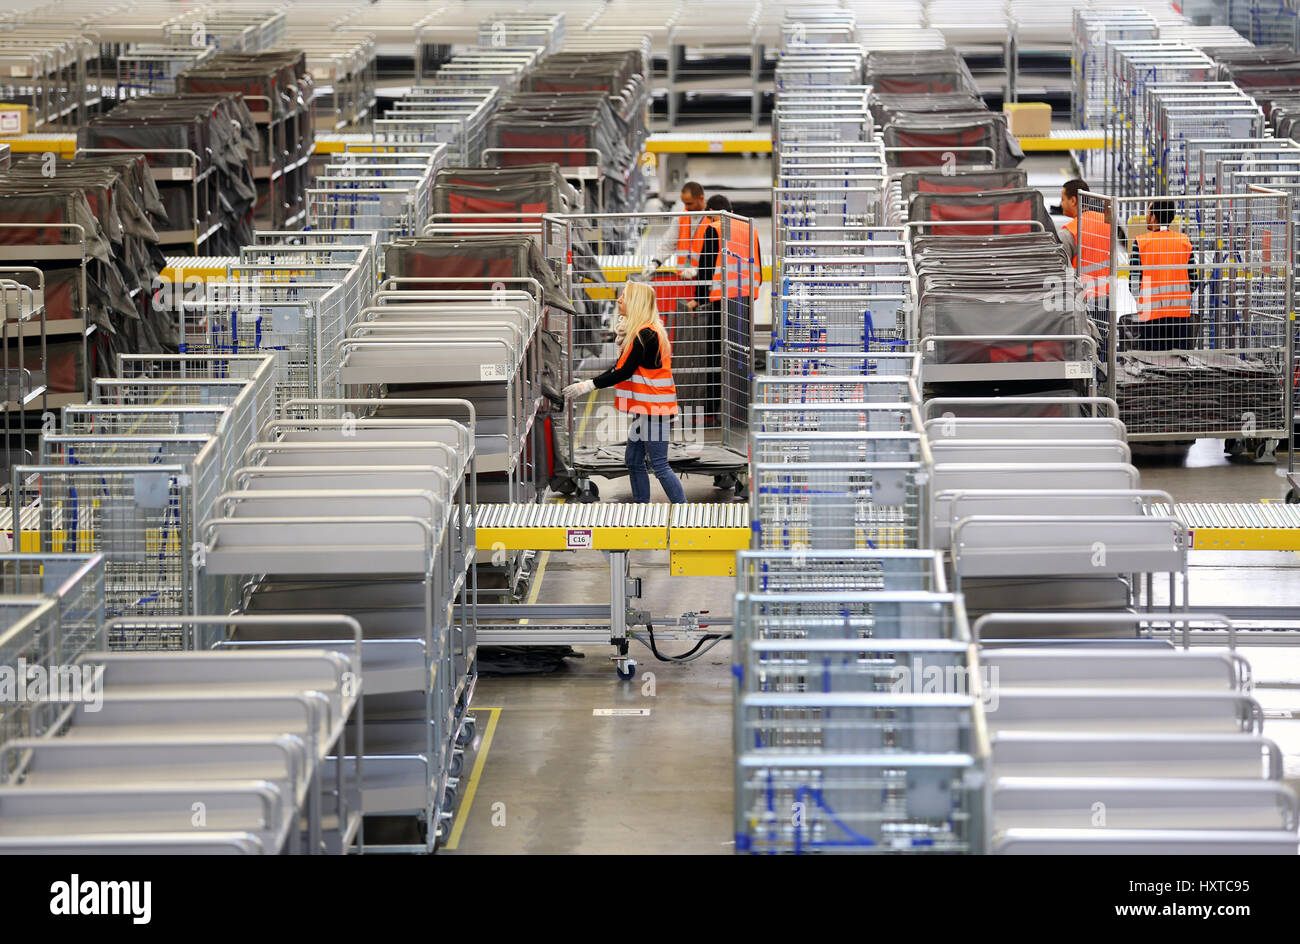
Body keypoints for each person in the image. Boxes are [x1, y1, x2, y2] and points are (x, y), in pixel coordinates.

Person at [562, 282, 687, 504]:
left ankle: (684, 512)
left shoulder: (646, 335)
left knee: (659, 465)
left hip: (655, 411)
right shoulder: (640, 331)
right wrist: (589, 383)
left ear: (635, 303)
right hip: (646, 410)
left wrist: (588, 385)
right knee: (633, 459)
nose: (619, 300)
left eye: (624, 297)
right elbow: (621, 368)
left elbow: (623, 372)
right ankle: (641, 507)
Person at [1129, 199, 1198, 351]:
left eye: (1148, 212)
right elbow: (1194, 280)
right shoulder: (1184, 241)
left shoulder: (1141, 242)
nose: (1146, 216)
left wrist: (1142, 300)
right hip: (1180, 314)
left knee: (1153, 363)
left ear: (1154, 217)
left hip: (1150, 314)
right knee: (1180, 364)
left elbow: (1133, 282)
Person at [643, 180, 707, 281]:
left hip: (705, 278)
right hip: (684, 278)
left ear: (701, 198)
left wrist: (698, 270)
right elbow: (668, 243)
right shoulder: (681, 217)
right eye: (684, 203)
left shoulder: (711, 218)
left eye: (689, 203)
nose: (686, 207)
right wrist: (654, 263)